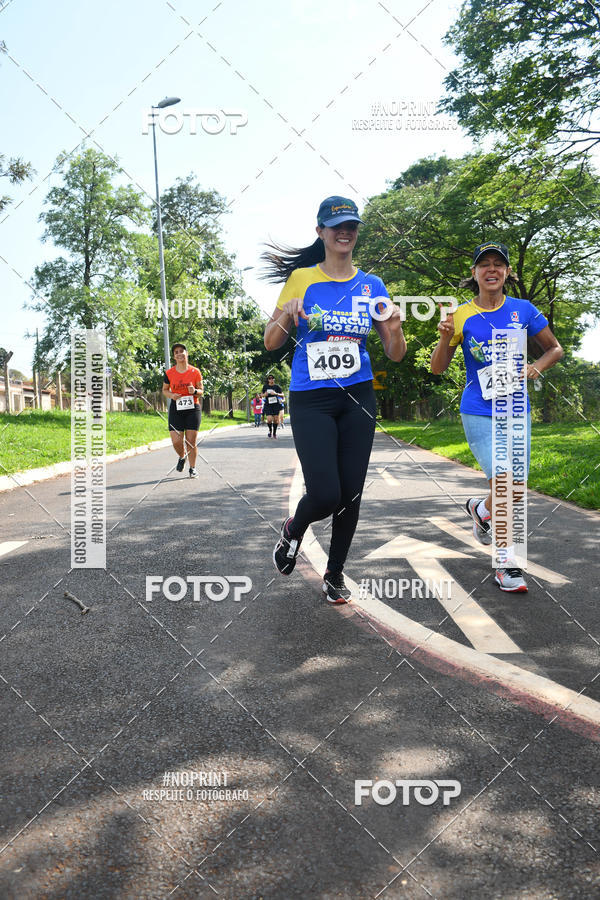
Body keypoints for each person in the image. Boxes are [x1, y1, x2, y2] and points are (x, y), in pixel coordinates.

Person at [262, 195, 406, 603]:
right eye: (337, 225)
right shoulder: (303, 279)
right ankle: (293, 529)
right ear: (321, 231)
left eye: (352, 225)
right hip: (312, 396)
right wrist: (289, 314)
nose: (345, 231)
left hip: (357, 395)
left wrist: (394, 328)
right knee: (326, 493)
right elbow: (271, 343)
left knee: (352, 493)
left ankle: (335, 573)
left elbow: (395, 354)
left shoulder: (373, 286)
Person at [430, 242, 563, 592]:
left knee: (514, 488)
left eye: (498, 265)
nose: (491, 270)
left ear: (507, 273)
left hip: (517, 409)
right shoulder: (460, 314)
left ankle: (481, 509)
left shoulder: (523, 309)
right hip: (478, 409)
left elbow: (555, 347)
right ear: (474, 274)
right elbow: (437, 367)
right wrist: (445, 339)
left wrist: (536, 366)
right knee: (504, 481)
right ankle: (506, 565)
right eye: (484, 264)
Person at [162, 343, 204, 478]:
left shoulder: (195, 371)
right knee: (176, 441)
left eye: (181, 351)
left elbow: (201, 391)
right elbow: (164, 390)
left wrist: (195, 391)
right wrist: (172, 395)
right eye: (176, 352)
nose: (179, 354)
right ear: (174, 356)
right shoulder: (169, 373)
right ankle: (182, 457)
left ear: (187, 353)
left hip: (192, 408)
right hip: (176, 408)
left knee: (190, 440)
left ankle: (193, 468)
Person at [262, 374, 284, 438]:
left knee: (276, 420)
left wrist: (275, 393)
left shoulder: (277, 387)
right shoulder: (265, 386)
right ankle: (270, 430)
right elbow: (261, 395)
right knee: (269, 419)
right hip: (268, 405)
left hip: (276, 405)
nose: (271, 379)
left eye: (272, 378)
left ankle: (274, 433)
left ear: (274, 379)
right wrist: (264, 394)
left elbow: (282, 395)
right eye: (269, 378)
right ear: (268, 380)